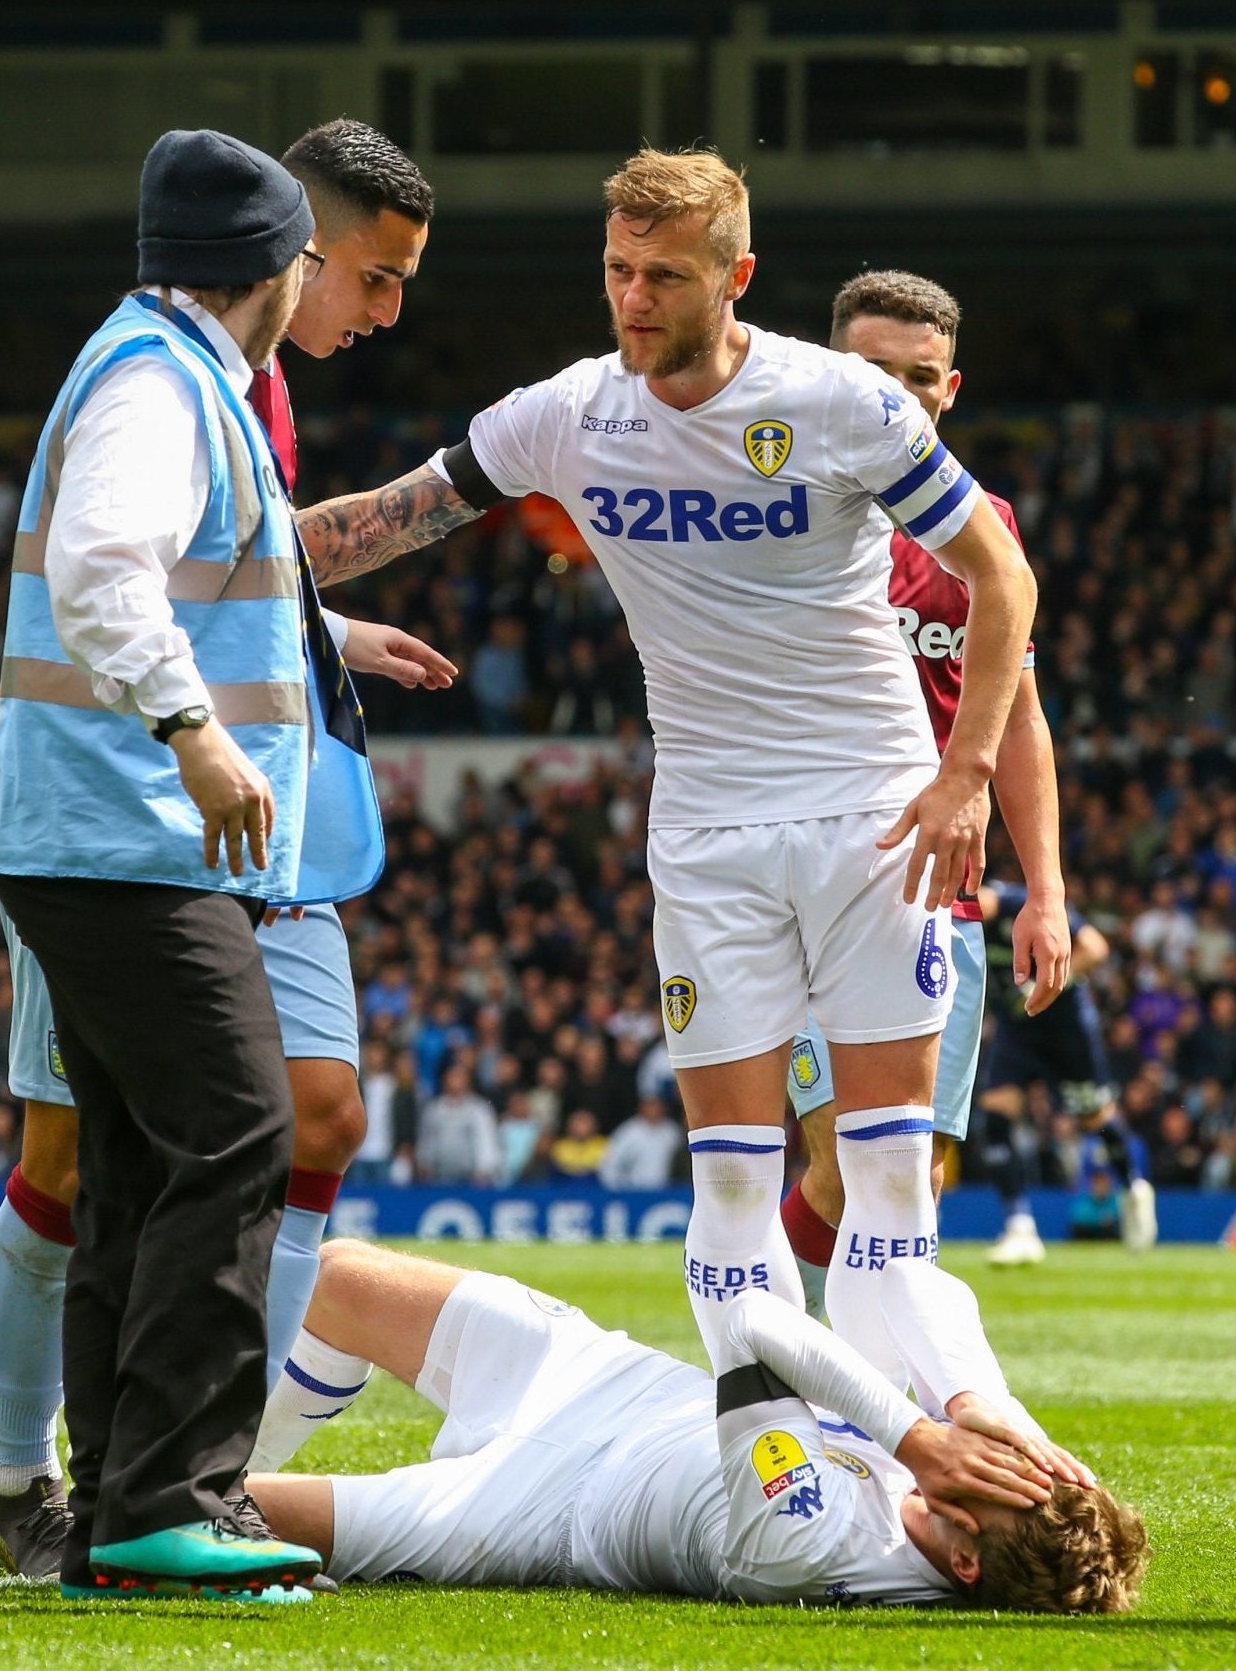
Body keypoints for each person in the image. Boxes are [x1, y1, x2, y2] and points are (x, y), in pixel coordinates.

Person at [295, 150, 1039, 1380]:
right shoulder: (570, 414)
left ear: (736, 277)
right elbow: (392, 515)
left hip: (872, 815)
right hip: (705, 831)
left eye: (666, 276)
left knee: (886, 1184)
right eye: (617, 270)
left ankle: (939, 1441)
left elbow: (1000, 577)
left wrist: (963, 776)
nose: (634, 298)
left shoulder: (844, 401)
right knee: (735, 1190)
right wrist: (202, 559)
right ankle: (771, 1456)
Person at [0, 119, 444, 1584]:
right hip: (129, 829)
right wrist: (195, 727)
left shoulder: (172, 368)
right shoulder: (161, 384)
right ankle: (172, 1494)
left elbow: (184, 570)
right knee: (239, 1127)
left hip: (102, 832)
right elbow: (107, 567)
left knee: (134, 1155)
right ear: (270, 258)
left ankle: (120, 1497)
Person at [0, 1240, 1147, 1612]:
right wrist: (989, 1415)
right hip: (592, 1379)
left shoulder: (817, 1542)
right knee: (315, 1265)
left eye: (983, 1483)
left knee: (186, 1525)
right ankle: (204, 1471)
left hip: (524, 1514)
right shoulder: (983, 1526)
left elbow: (754, 1321)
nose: (969, 1462)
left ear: (966, 1561)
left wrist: (920, 1434)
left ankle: (35, 1526)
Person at [774, 271, 1070, 1317]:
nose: (893, 394)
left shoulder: (983, 533)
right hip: (808, 877)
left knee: (912, 1177)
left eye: (916, 377)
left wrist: (1048, 891)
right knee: (850, 1160)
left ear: (949, 390)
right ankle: (781, 1380)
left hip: (941, 890)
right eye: (869, 372)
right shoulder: (775, 513)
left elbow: (1018, 716)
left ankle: (808, 1372)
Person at [971, 881, 1146, 1263]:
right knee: (996, 1116)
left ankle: (1134, 1186)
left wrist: (1042, 983)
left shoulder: (1023, 903)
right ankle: (1019, 1226)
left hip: (1065, 1027)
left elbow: (1095, 948)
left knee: (1094, 1116)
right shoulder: (965, 929)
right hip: (1018, 1028)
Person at [600, 1092, 682, 1188]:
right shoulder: (628, 1131)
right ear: (641, 1107)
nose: (653, 1110)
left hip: (666, 1190)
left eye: (656, 1105)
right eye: (650, 1105)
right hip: (635, 1191)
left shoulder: (672, 1132)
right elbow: (610, 1164)